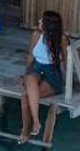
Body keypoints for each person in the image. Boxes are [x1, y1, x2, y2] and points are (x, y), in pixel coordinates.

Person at [20, 9, 68, 142]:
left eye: (42, 20)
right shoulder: (36, 34)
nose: (39, 21)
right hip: (36, 68)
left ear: (49, 24)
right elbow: (30, 56)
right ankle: (31, 125)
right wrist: (25, 74)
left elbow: (66, 60)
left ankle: (29, 128)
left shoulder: (62, 38)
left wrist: (69, 82)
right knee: (28, 83)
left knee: (26, 95)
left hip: (51, 72)